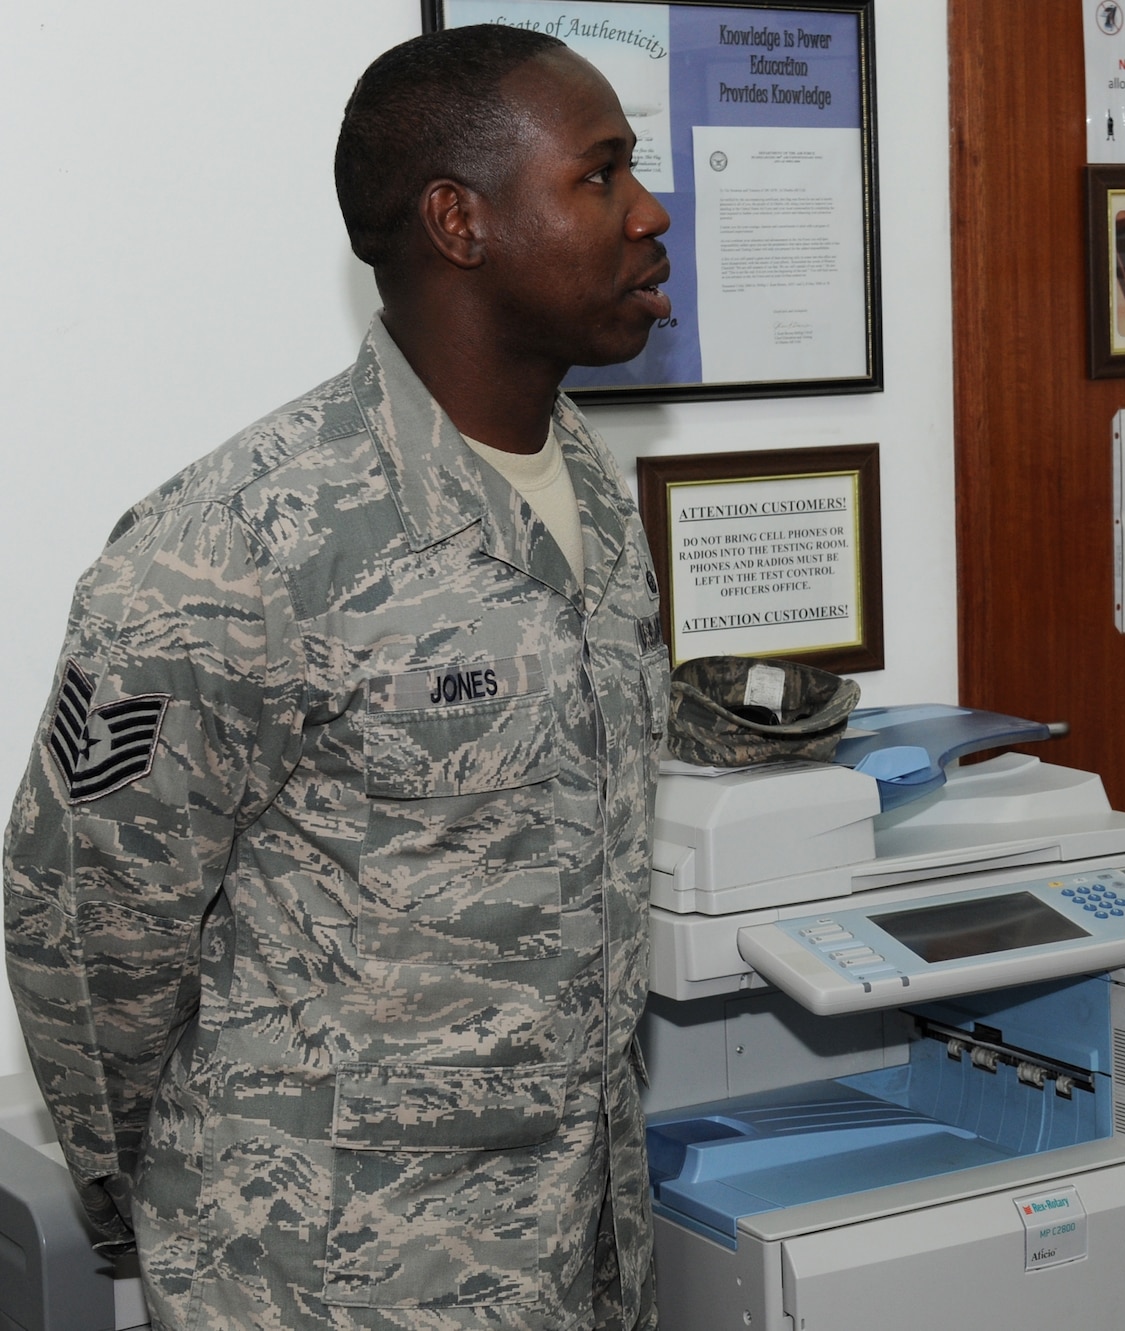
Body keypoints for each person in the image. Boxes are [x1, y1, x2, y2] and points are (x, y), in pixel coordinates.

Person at [4, 25, 674, 1330]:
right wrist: (149, 1203)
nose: (648, 211)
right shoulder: (236, 546)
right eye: (599, 176)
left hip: (579, 1248)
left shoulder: (590, 485)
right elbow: (79, 927)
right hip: (325, 1276)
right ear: (458, 222)